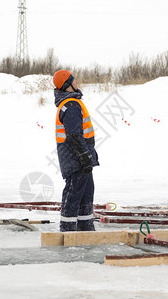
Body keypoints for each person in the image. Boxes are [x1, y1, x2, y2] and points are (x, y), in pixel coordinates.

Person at [53, 70, 99, 232]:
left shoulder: (71, 103)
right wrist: (84, 156)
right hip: (76, 158)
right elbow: (73, 134)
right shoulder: (71, 105)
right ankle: (68, 229)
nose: (77, 82)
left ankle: (85, 227)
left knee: (86, 192)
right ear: (67, 85)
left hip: (79, 157)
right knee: (74, 193)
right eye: (73, 80)